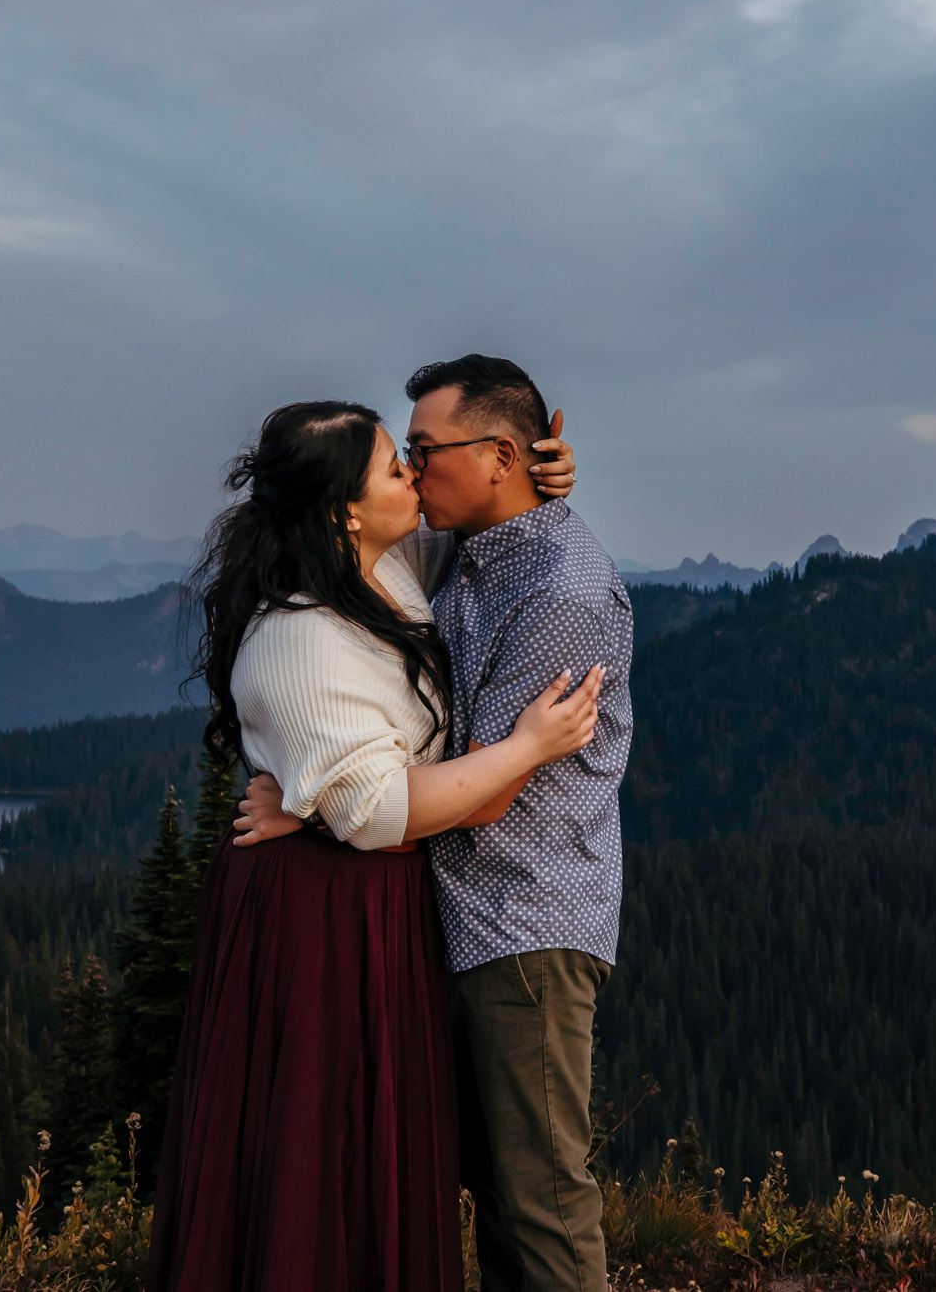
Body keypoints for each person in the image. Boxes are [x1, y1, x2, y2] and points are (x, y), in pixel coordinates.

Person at [144, 398, 602, 1292]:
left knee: (363, 1149)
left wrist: (536, 483)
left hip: (367, 902)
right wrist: (526, 748)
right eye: (399, 465)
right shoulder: (300, 637)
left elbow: (472, 532)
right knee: (320, 1152)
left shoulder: (383, 568)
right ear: (344, 510)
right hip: (318, 925)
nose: (416, 475)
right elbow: (382, 810)